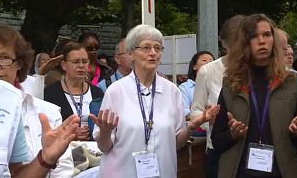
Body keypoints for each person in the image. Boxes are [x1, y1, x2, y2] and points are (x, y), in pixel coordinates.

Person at [91, 24, 220, 178]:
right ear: (131, 54)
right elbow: (104, 147)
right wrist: (105, 132)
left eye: (158, 48)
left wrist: (193, 125)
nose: (153, 53)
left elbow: (176, 144)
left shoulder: (172, 91)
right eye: (146, 48)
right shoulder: (116, 91)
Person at [211, 14, 297, 178]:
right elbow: (217, 142)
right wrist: (233, 134)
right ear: (245, 43)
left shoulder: (293, 84)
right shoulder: (231, 86)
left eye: (266, 35)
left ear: (273, 40)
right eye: (254, 36)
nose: (262, 41)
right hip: (240, 173)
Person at [0, 24, 79, 177]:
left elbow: (17, 174)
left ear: (19, 63)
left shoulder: (46, 113)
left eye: (4, 58)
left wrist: (45, 159)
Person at [189, 14, 245, 178]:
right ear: (225, 43)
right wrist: (210, 120)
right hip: (218, 149)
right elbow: (195, 110)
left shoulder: (256, 69)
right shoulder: (208, 71)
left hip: (250, 148)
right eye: (235, 42)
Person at [44, 41, 104, 141]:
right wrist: (69, 134)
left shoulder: (97, 93)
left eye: (84, 62)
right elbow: (46, 130)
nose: (81, 66)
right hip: (63, 152)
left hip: (94, 152)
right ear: (64, 65)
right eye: (75, 62)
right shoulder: (50, 93)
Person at [179, 51, 213, 119]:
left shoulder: (218, 86)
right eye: (204, 60)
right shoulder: (185, 87)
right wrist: (206, 115)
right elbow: (183, 112)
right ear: (194, 66)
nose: (209, 63)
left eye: (211, 61)